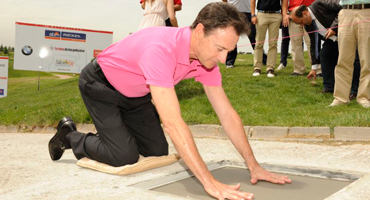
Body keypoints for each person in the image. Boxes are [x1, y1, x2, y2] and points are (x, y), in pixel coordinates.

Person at [48, 3, 291, 200]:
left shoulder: (205, 62)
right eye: (219, 49)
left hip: (137, 92)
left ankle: (115, 133)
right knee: (124, 155)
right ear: (199, 32)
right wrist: (209, 182)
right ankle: (69, 136)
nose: (223, 58)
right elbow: (173, 123)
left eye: (228, 51)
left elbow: (226, 113)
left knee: (157, 150)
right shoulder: (160, 49)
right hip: (101, 85)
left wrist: (253, 165)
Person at [290, 0, 360, 97]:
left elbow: (342, 8)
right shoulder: (308, 25)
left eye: (301, 22)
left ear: (304, 13)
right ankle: (329, 87)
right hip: (333, 40)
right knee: (325, 55)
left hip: (347, 33)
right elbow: (314, 44)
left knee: (355, 60)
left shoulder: (320, 4)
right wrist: (314, 68)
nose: (301, 25)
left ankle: (354, 91)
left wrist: (334, 28)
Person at [330, 0, 370, 108]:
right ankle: (340, 98)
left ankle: (364, 97)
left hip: (367, 11)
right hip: (346, 11)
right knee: (343, 59)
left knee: (367, 59)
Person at [222, 0, 267, 68]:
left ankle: (263, 59)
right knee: (231, 37)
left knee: (253, 37)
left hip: (248, 12)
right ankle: (229, 62)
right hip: (233, 13)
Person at [251, 0, 286, 77]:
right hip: (262, 14)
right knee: (258, 43)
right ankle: (257, 68)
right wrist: (253, 14)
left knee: (273, 44)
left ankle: (270, 69)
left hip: (276, 15)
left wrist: (284, 14)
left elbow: (284, 1)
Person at [282, 0, 315, 76]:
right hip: (293, 14)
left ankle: (316, 68)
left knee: (311, 42)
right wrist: (284, 14)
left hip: (308, 13)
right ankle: (298, 69)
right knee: (295, 43)